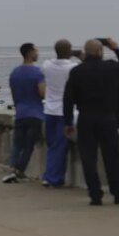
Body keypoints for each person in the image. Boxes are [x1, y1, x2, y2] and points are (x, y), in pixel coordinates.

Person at [63, 38, 119, 206]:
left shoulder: (77, 72)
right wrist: (116, 49)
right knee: (113, 157)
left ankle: (95, 195)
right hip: (107, 117)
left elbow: (68, 100)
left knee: (88, 158)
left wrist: (67, 122)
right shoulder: (110, 68)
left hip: (86, 118)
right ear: (101, 51)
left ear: (85, 53)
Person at [2, 43, 45, 184]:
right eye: (36, 50)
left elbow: (14, 94)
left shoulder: (15, 73)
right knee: (28, 145)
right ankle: (18, 171)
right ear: (30, 53)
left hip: (20, 113)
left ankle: (12, 170)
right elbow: (42, 93)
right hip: (35, 114)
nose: (38, 53)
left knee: (17, 144)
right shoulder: (38, 72)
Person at [40, 39, 80, 187]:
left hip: (49, 110)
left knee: (52, 144)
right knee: (60, 145)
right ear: (70, 51)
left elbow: (47, 67)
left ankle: (52, 176)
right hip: (65, 111)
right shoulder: (73, 68)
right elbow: (85, 67)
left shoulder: (46, 65)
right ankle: (52, 178)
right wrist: (78, 55)